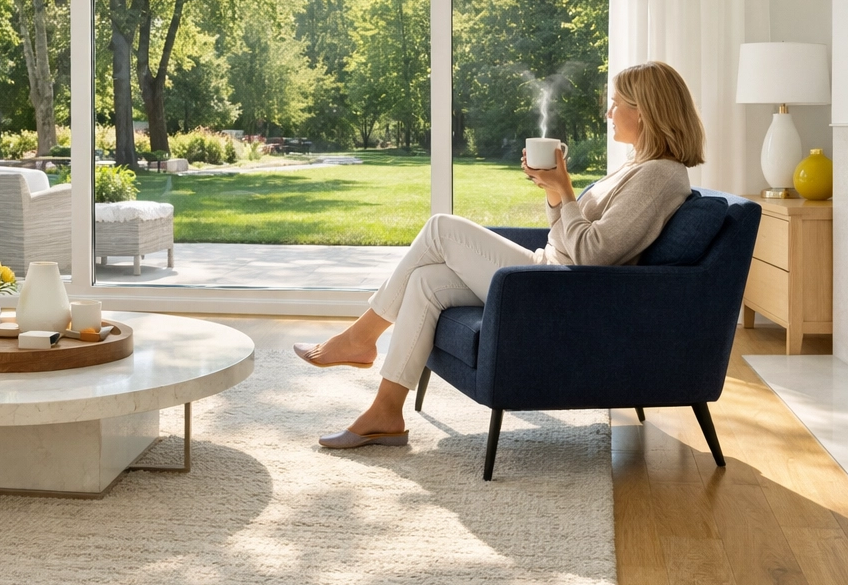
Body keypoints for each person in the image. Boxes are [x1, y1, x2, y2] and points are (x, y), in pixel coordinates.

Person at [296, 60, 706, 449]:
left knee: (440, 227)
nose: (609, 112)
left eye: (616, 102)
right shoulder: (638, 166)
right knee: (426, 282)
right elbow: (571, 234)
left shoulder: (660, 175)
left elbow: (593, 255)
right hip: (553, 275)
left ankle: (359, 339)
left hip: (563, 290)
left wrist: (565, 190)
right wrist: (552, 190)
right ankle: (386, 414)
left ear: (647, 111)